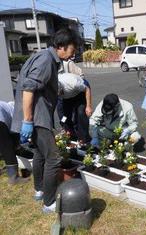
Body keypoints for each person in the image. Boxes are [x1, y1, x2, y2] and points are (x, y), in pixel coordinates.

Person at [11, 28, 79, 213]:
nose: (73, 54)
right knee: (54, 158)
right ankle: (49, 203)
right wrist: (27, 120)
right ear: (61, 46)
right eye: (72, 50)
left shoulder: (44, 57)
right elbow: (28, 88)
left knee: (40, 154)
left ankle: (40, 190)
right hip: (37, 118)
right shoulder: (46, 60)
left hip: (38, 116)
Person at [57, 71, 92, 143]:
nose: (59, 94)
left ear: (61, 88)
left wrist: (88, 106)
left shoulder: (73, 83)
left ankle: (84, 138)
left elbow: (87, 89)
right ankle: (71, 134)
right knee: (64, 116)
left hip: (80, 93)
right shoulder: (52, 86)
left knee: (81, 113)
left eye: (60, 93)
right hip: (67, 97)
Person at [0, 101, 29, 185]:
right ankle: (14, 178)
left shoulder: (7, 107)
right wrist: (17, 147)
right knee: (7, 147)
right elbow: (15, 135)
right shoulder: (18, 113)